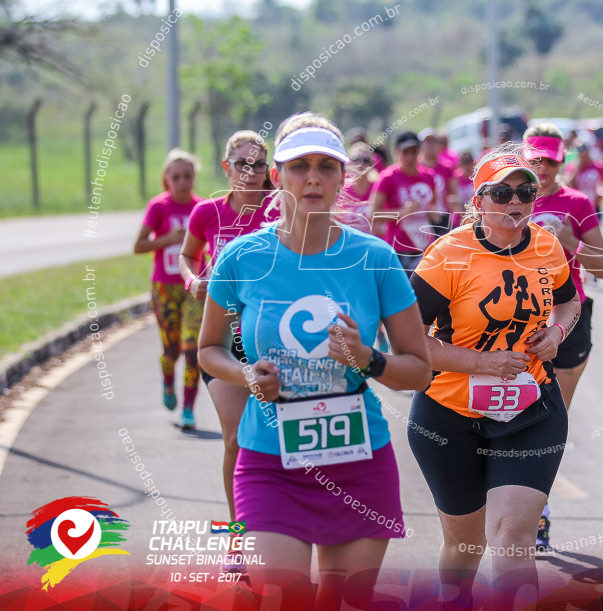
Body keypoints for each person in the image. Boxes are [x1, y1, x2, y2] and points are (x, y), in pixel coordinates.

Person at [198, 113, 431, 608]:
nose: (313, 178)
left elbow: (419, 369)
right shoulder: (242, 256)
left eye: (327, 166)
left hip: (359, 458)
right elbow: (208, 349)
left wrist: (369, 360)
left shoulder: (375, 258)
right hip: (269, 460)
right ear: (276, 175)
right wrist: (245, 374)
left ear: (344, 177)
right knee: (284, 595)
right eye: (299, 165)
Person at [408, 146, 581, 608]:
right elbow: (406, 342)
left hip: (530, 411)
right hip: (449, 415)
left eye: (525, 191)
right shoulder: (448, 255)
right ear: (478, 201)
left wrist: (557, 333)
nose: (515, 202)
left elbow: (570, 301)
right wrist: (483, 363)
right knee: (464, 547)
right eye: (501, 193)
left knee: (513, 537)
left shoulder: (546, 245)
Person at [179, 130, 277, 535]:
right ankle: (240, 534)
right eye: (242, 164)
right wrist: (191, 281)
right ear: (226, 167)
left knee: (280, 441)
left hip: (273, 339)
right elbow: (188, 255)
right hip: (222, 339)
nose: (250, 173)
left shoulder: (281, 211)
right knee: (236, 438)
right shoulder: (207, 213)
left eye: (257, 165)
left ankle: (279, 523)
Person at [523, 124, 603, 550]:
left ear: (562, 162)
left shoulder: (576, 203)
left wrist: (571, 240)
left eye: (550, 161)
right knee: (514, 417)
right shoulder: (504, 194)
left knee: (549, 420)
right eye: (535, 159)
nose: (542, 168)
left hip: (567, 316)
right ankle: (511, 504)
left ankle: (537, 514)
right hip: (515, 318)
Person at [133, 149, 205, 429]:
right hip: (164, 288)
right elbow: (138, 246)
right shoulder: (158, 207)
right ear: (167, 179)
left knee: (191, 350)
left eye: (187, 176)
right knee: (171, 350)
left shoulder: (201, 208)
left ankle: (188, 408)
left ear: (194, 177)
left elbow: (211, 244)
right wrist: (166, 239)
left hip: (192, 289)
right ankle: (167, 380)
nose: (183, 182)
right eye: (176, 177)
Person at [369, 131, 437, 272]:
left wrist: (433, 213)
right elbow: (373, 214)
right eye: (406, 152)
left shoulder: (428, 176)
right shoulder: (387, 178)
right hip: (398, 249)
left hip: (424, 246)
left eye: (414, 151)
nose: (410, 157)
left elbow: (434, 208)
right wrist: (403, 212)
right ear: (396, 152)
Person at [338, 142, 379, 234]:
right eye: (356, 159)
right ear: (348, 163)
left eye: (365, 160)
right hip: (347, 245)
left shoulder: (379, 188)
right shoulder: (341, 190)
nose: (360, 164)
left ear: (371, 164)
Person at [565, 141, 603, 214]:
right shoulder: (572, 168)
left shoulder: (598, 167)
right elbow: (568, 184)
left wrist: (601, 190)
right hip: (578, 205)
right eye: (581, 154)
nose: (583, 156)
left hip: (594, 205)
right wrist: (578, 168)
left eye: (585, 153)